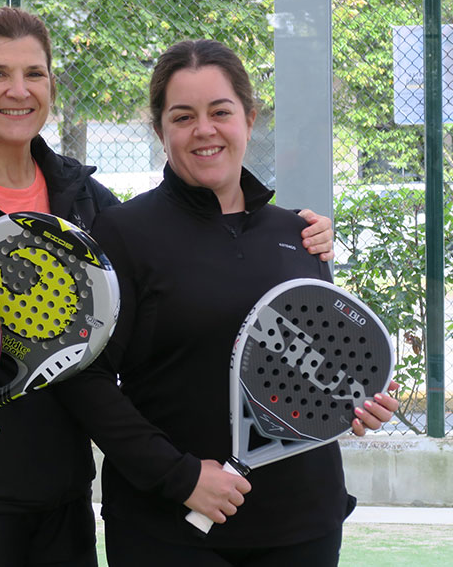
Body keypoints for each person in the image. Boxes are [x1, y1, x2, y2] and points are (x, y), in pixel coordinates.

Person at [0, 10, 337, 567]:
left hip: (63, 504)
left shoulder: (85, 202)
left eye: (34, 74)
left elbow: (186, 245)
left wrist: (295, 234)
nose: (18, 91)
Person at [54, 39, 399, 567]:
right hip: (166, 532)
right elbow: (85, 378)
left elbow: (318, 368)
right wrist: (182, 477)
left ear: (249, 117)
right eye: (183, 116)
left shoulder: (300, 235)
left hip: (302, 524)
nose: (204, 130)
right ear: (160, 130)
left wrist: (355, 403)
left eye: (220, 111)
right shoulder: (122, 234)